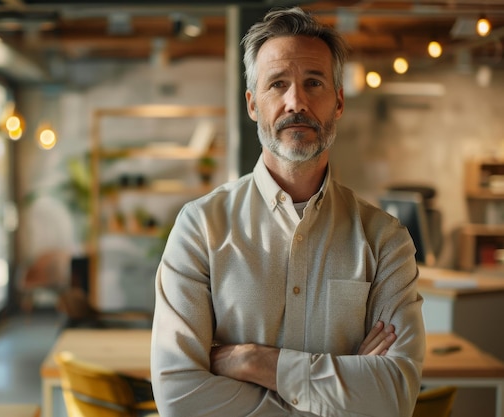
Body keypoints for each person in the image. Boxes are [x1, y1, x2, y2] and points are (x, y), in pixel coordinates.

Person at [150, 6, 425, 417]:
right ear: (252, 105)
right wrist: (341, 391)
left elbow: (394, 396)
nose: (296, 101)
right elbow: (178, 396)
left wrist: (255, 363)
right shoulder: (200, 228)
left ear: (338, 102)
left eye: (313, 83)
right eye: (278, 84)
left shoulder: (385, 240)